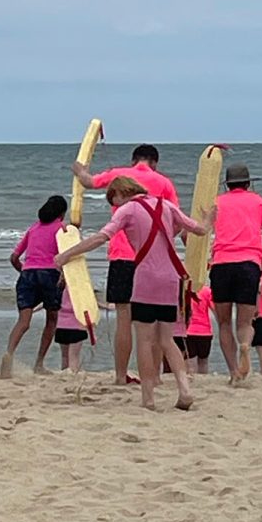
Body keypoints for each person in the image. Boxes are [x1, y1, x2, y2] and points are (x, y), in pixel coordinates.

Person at [55, 177, 213, 410]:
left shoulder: (127, 210)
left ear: (120, 192)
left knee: (145, 340)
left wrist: (67, 254)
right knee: (167, 339)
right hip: (171, 279)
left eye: (113, 199)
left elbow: (101, 237)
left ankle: (148, 398)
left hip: (145, 279)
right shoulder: (166, 205)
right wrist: (210, 217)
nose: (115, 205)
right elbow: (199, 230)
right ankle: (185, 389)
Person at [71, 144, 179, 385]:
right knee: (154, 324)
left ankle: (120, 376)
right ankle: (156, 377)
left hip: (122, 255)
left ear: (134, 160)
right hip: (153, 260)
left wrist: (80, 168)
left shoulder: (119, 175)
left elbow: (88, 181)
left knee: (124, 319)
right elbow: (176, 222)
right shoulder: (164, 183)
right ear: (155, 163)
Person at [209, 163, 262, 381]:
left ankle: (233, 372)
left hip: (221, 264)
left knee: (223, 323)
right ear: (248, 183)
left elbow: (195, 232)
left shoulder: (217, 203)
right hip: (249, 264)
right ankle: (244, 345)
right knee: (245, 323)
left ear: (227, 185)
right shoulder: (258, 201)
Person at [0, 195, 66, 378]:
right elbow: (65, 256)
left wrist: (24, 271)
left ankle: (9, 354)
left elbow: (14, 258)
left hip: (28, 274)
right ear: (61, 214)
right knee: (52, 319)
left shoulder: (33, 228)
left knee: (23, 321)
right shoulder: (61, 229)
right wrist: (64, 276)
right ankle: (39, 363)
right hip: (49, 274)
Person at [55, 287, 87, 372]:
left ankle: (64, 374)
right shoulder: (79, 289)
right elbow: (88, 305)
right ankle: (73, 376)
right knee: (74, 357)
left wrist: (34, 309)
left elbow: (50, 303)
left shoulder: (59, 288)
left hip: (61, 326)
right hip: (76, 326)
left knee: (64, 357)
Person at [185, 285, 215, 374]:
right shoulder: (206, 291)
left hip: (189, 330)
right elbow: (214, 309)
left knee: (191, 360)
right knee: (204, 361)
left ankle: (193, 379)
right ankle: (203, 378)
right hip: (205, 331)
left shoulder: (185, 289)